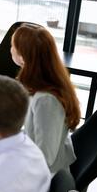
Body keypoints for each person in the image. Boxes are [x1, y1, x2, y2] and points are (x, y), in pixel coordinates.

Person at [10, 23, 81, 174]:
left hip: (45, 179)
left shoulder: (46, 101)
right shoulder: (42, 84)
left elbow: (44, 158)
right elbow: (34, 134)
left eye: (13, 46)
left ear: (23, 57)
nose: (10, 49)